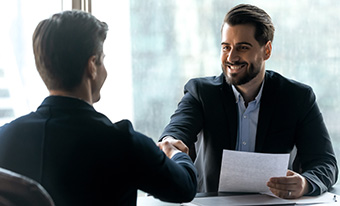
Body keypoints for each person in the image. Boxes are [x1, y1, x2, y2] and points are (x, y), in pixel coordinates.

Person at [0, 10, 197, 205]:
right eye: (102, 60)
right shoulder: (122, 143)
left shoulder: (5, 138)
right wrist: (174, 153)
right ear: (92, 65)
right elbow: (185, 187)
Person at [160, 4, 338, 199]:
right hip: (213, 204)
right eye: (226, 47)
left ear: (267, 50)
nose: (232, 57)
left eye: (242, 47)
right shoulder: (201, 93)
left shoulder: (297, 97)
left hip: (274, 204)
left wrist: (305, 183)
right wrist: (169, 141)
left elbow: (325, 164)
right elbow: (176, 132)